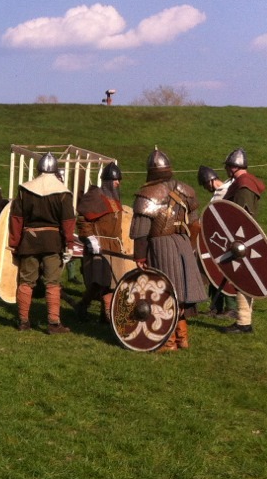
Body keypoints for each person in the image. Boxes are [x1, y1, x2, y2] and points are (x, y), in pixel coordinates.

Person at [130, 148, 207, 351]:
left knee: (164, 292)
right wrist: (188, 247)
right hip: (183, 243)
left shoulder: (148, 194)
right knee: (180, 293)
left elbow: (141, 231)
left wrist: (139, 255)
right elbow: (195, 224)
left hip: (161, 246)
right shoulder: (186, 190)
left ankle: (168, 341)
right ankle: (183, 338)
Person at [10, 152, 75, 333]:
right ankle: (53, 323)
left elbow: (16, 219)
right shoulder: (62, 193)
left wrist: (14, 243)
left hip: (29, 242)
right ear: (55, 170)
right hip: (53, 243)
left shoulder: (25, 190)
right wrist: (69, 243)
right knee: (52, 282)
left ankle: (23, 321)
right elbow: (68, 222)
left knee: (26, 282)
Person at [74, 161, 127, 322]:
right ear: (107, 181)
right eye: (115, 179)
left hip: (114, 246)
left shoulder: (114, 199)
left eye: (119, 180)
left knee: (110, 282)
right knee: (100, 282)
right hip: (100, 244)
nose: (118, 182)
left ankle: (99, 313)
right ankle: (94, 310)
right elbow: (83, 219)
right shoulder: (95, 196)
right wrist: (90, 239)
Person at [222, 147, 265, 335]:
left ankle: (243, 323)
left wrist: (235, 239)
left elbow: (240, 215)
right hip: (243, 239)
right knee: (242, 280)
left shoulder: (244, 184)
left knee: (242, 280)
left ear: (233, 166)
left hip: (241, 240)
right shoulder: (244, 182)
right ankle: (244, 321)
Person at [197, 165, 234, 318]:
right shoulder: (218, 193)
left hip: (227, 240)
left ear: (211, 181)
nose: (206, 189)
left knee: (227, 274)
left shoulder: (228, 190)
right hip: (215, 240)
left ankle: (231, 308)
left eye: (206, 185)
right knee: (213, 272)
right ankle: (216, 307)